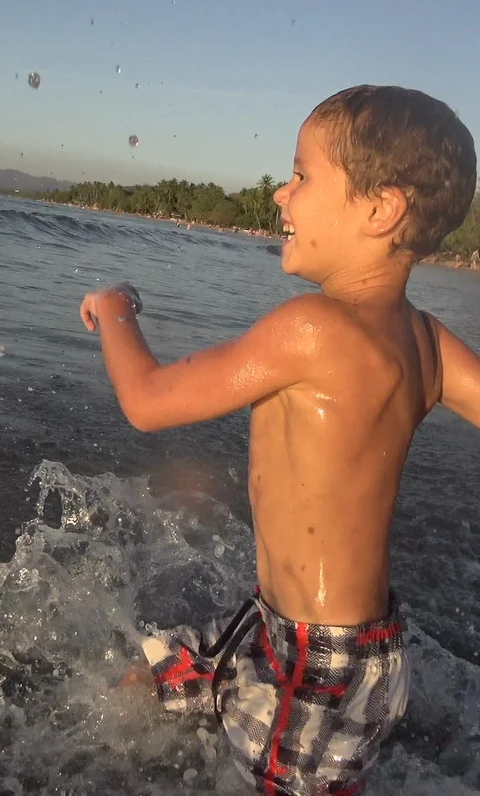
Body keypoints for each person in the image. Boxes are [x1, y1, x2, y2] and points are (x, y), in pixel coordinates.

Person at [80, 85, 480, 796]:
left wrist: (114, 310)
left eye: (301, 175)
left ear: (381, 210)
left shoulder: (311, 328)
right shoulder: (427, 340)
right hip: (321, 636)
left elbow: (147, 401)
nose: (278, 192)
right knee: (153, 679)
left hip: (316, 663)